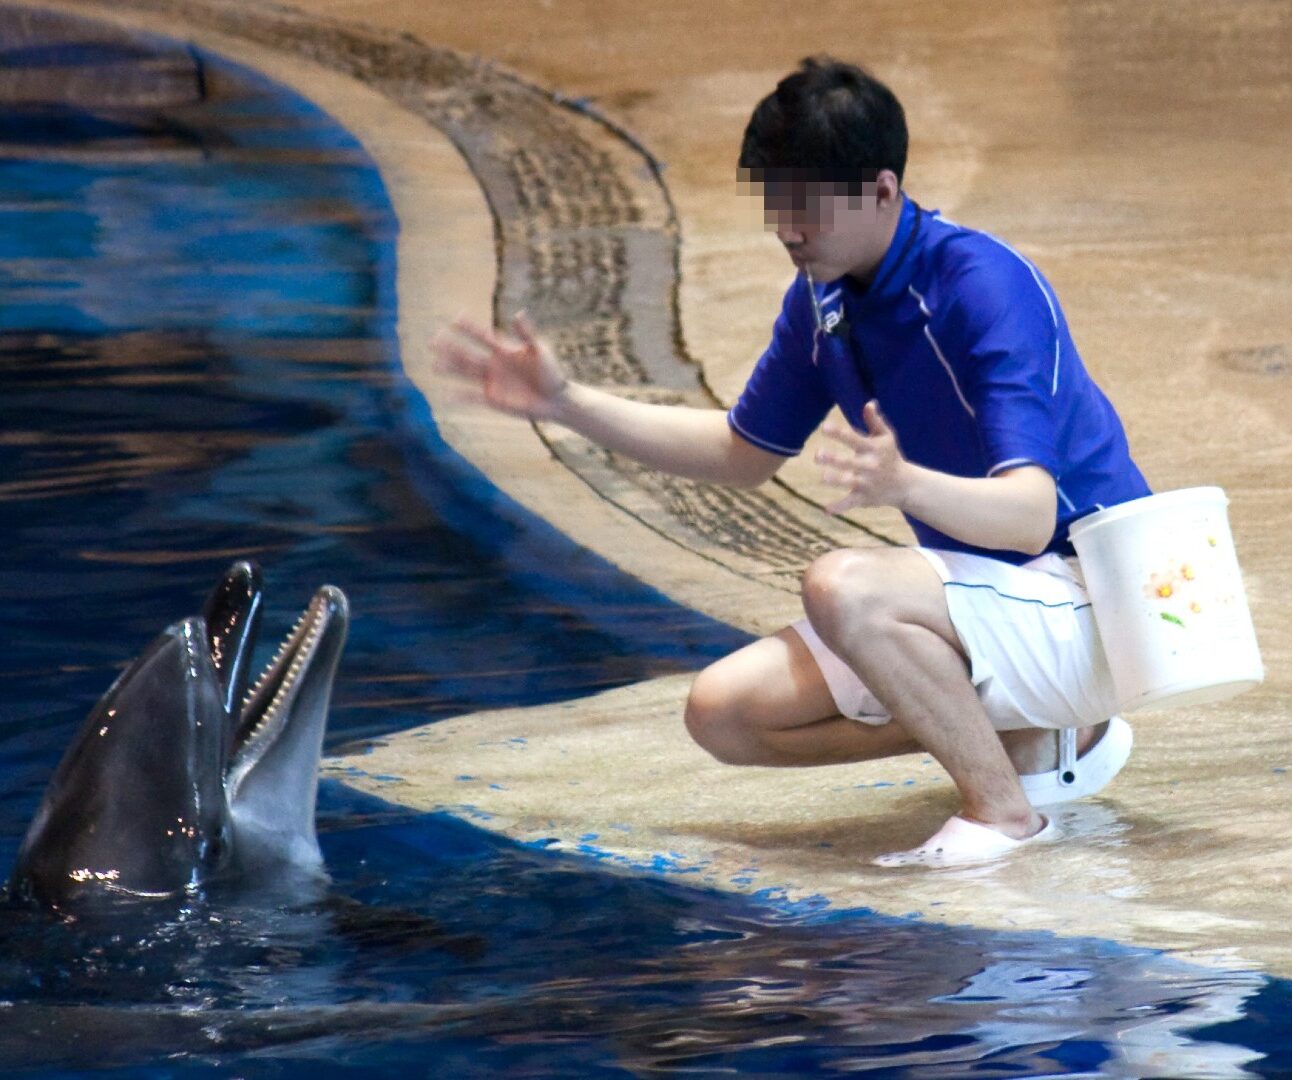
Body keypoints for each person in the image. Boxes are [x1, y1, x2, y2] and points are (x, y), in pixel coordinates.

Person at [433, 56, 1149, 867]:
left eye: (808, 207)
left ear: (882, 191)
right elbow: (742, 454)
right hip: (992, 604)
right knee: (725, 711)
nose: (788, 229)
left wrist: (904, 483)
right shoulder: (824, 297)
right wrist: (566, 403)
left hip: (1093, 597)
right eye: (778, 204)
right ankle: (1013, 733)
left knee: (845, 584)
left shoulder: (982, 285)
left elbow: (1029, 517)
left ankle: (1005, 812)